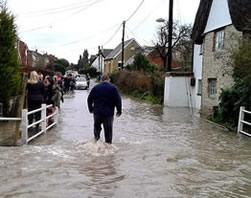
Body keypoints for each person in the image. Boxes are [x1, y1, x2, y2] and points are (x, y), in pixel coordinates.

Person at [87, 74, 122, 144]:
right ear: (109, 80)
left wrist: (91, 109)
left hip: (97, 113)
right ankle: (108, 147)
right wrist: (119, 110)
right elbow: (118, 100)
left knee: (97, 130)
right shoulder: (113, 88)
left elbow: (89, 99)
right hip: (108, 114)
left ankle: (96, 144)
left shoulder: (96, 88)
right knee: (108, 132)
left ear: (101, 80)